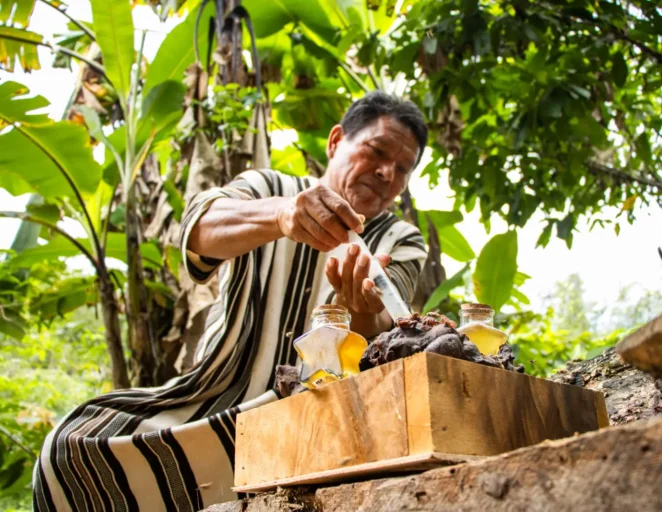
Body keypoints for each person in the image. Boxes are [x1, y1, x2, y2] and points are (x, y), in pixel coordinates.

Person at [33, 91, 429, 511]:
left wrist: (362, 311)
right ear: (335, 141)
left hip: (319, 420)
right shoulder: (269, 187)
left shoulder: (401, 239)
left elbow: (388, 328)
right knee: (68, 452)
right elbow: (197, 230)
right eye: (376, 151)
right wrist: (282, 217)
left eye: (402, 168)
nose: (387, 172)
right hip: (219, 398)